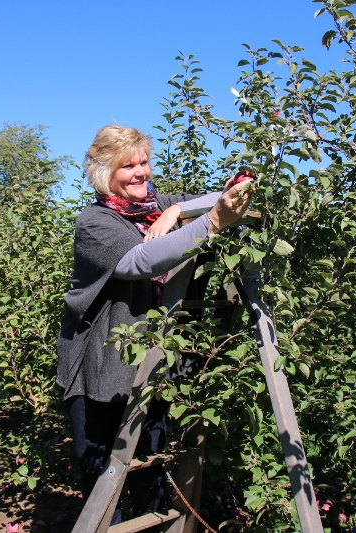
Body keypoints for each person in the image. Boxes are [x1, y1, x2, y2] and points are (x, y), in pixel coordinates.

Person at [57, 125, 252, 524]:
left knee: (151, 471)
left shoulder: (156, 204)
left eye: (144, 161)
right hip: (100, 370)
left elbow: (221, 195)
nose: (140, 172)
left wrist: (178, 210)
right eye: (127, 166)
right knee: (103, 481)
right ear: (103, 174)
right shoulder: (94, 223)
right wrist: (210, 224)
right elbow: (138, 262)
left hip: (152, 365)